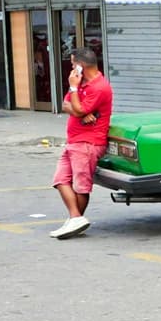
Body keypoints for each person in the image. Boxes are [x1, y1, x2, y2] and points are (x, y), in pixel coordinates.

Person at [49, 47, 113, 240]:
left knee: (81, 185)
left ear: (80, 65)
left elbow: (76, 109)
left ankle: (75, 219)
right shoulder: (81, 83)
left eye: (72, 63)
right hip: (74, 140)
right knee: (60, 180)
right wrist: (81, 110)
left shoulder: (99, 87)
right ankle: (75, 218)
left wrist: (77, 100)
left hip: (88, 142)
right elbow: (66, 105)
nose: (71, 68)